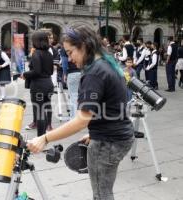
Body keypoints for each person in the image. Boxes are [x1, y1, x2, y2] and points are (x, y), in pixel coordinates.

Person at [27, 26, 134, 200]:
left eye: (70, 53)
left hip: (108, 142)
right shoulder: (107, 63)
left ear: (83, 46)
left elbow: (80, 121)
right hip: (115, 136)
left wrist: (45, 138)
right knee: (104, 191)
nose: (69, 59)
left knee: (101, 194)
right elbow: (112, 106)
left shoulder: (94, 74)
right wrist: (95, 134)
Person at [22, 30, 54, 137]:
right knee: (44, 108)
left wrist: (25, 74)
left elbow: (36, 71)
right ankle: (43, 135)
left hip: (39, 86)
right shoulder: (49, 53)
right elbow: (50, 71)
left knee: (40, 112)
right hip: (48, 84)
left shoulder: (36, 53)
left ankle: (41, 137)